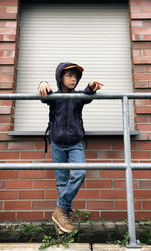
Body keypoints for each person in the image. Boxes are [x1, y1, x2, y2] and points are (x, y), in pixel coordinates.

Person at [38, 62, 103, 233]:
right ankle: (63, 222)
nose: (73, 79)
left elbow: (87, 95)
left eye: (75, 76)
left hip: (75, 144)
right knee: (62, 183)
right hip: (57, 144)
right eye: (69, 75)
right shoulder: (54, 96)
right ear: (60, 77)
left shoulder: (77, 97)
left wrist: (90, 87)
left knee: (80, 173)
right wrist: (42, 83)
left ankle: (60, 209)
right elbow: (43, 96)